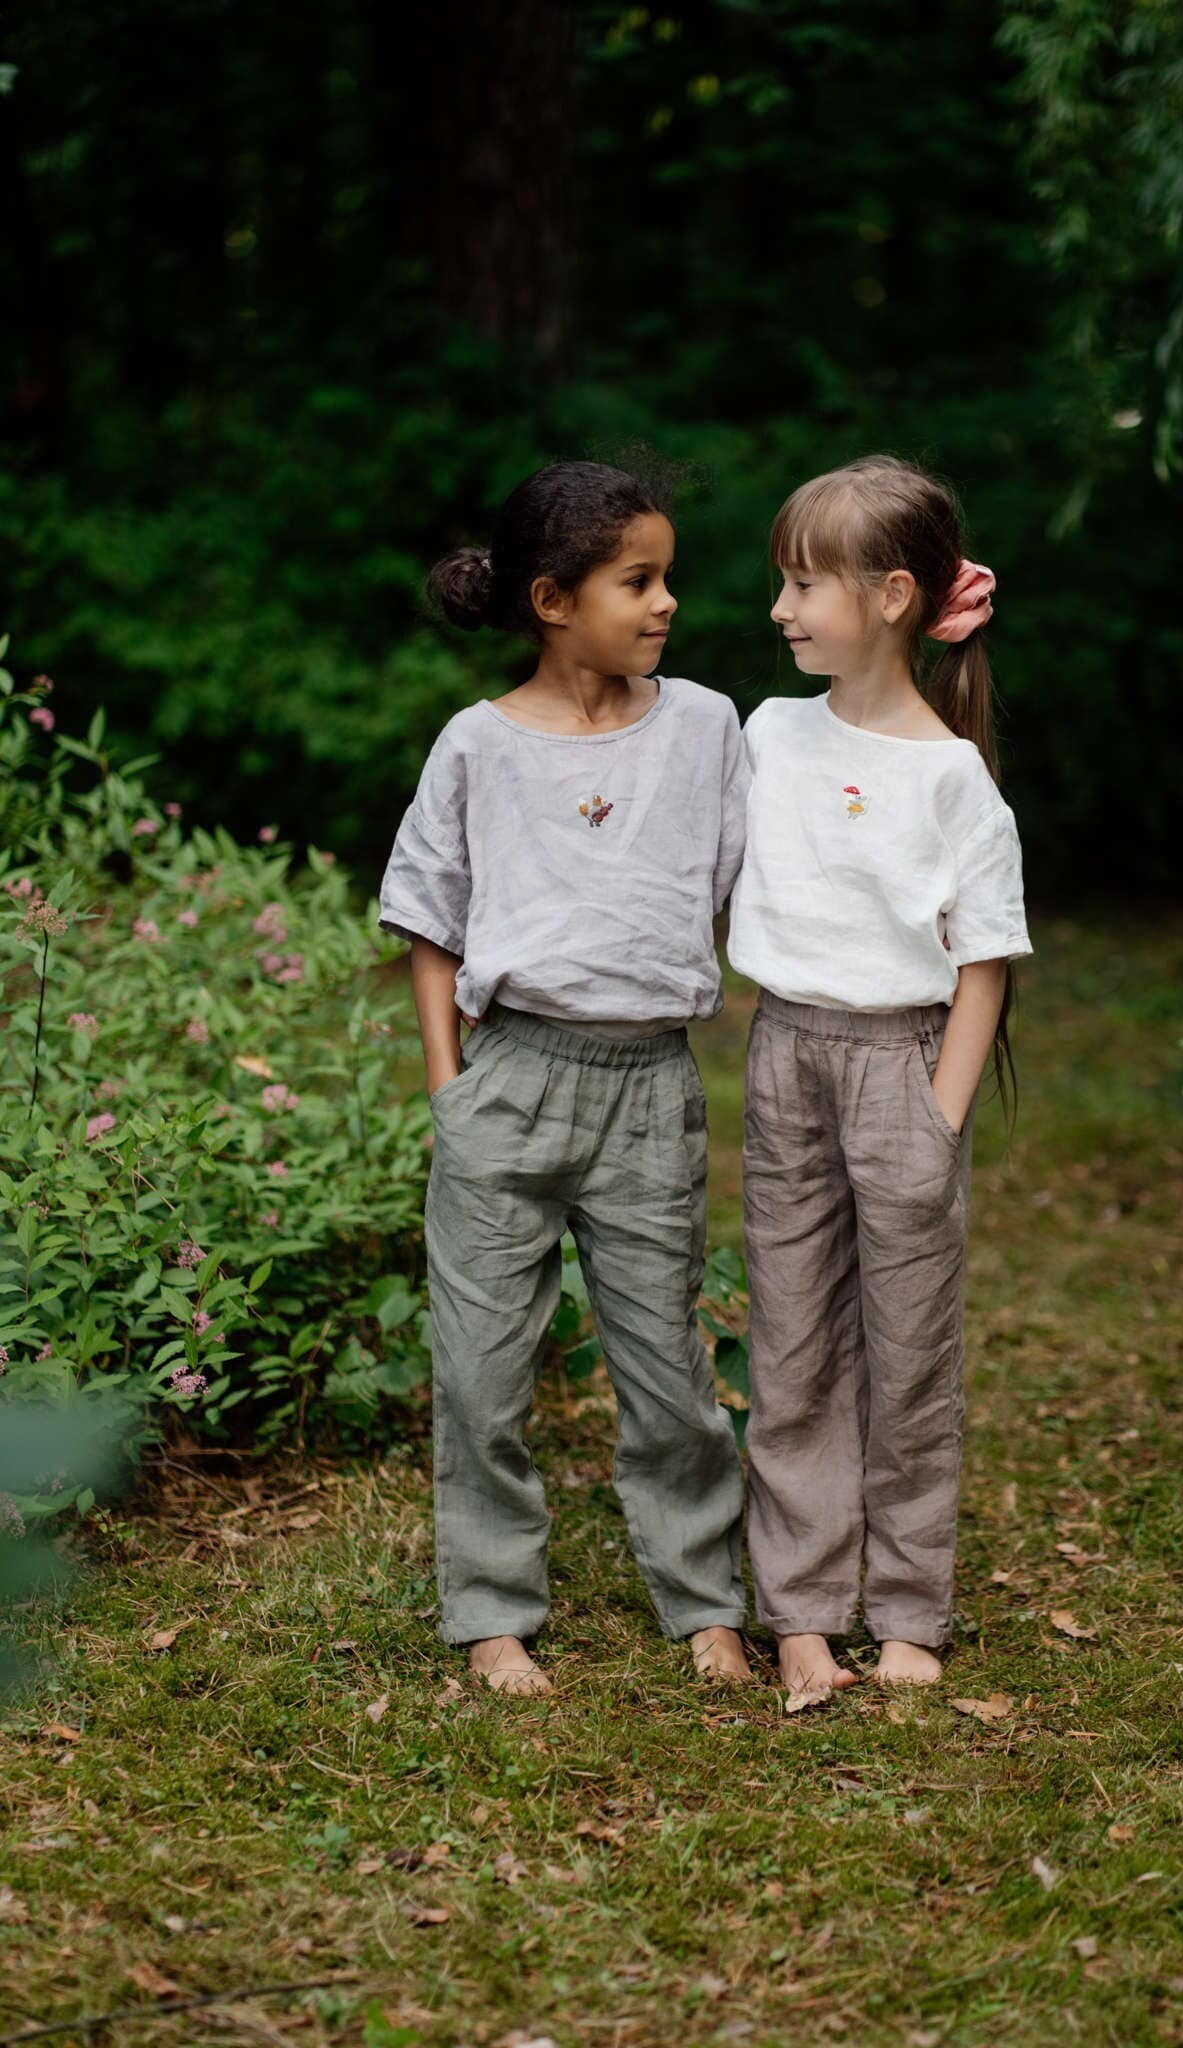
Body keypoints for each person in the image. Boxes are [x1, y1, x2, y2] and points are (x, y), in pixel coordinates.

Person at [379, 461, 750, 1696]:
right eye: (638, 581)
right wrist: (451, 1087)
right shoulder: (477, 745)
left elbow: (749, 876)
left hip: (648, 1086)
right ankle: (492, 1610)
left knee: (668, 1367)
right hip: (512, 1076)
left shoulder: (705, 727)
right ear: (552, 599)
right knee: (481, 1370)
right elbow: (429, 921)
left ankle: (705, 1599)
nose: (666, 602)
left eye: (667, 577)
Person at [727, 455, 1032, 1706]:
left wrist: (937, 1120)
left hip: (905, 1064)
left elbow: (985, 963)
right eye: (783, 582)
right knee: (792, 1339)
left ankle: (907, 1607)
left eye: (806, 584)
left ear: (894, 595)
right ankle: (801, 1608)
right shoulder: (767, 733)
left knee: (908, 1353)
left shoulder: (954, 776)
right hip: (786, 1056)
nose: (782, 608)